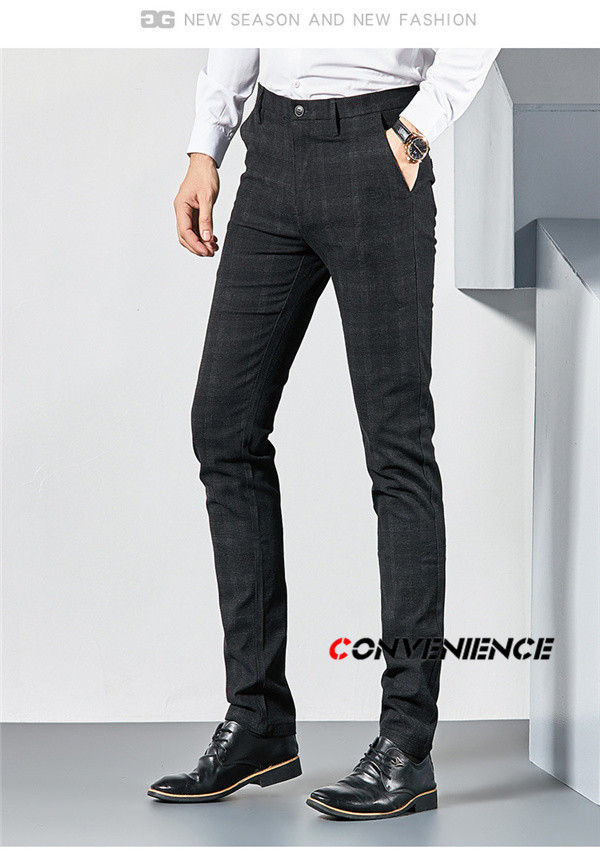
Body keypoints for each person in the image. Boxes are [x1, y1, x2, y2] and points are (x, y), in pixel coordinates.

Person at [148, 48, 499, 820]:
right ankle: (258, 721)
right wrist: (207, 145)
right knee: (223, 426)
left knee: (396, 447)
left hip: (379, 145)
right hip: (273, 152)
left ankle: (405, 744)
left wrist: (415, 130)